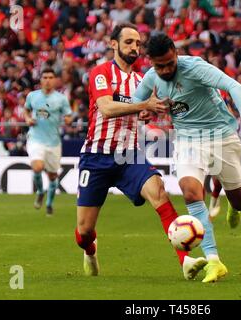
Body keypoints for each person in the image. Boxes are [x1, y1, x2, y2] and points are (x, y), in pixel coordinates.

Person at [75, 23, 207, 280]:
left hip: (129, 156)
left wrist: (146, 112)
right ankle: (90, 250)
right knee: (84, 231)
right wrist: (143, 105)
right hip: (96, 156)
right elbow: (106, 108)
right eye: (128, 42)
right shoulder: (101, 73)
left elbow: (142, 114)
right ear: (114, 44)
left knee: (160, 194)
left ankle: (186, 261)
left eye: (137, 43)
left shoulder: (141, 80)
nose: (134, 47)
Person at [133, 34, 241, 283]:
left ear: (175, 54)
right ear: (151, 63)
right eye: (160, 66)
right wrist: (145, 109)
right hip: (189, 140)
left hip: (222, 136)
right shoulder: (151, 78)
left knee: (240, 200)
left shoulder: (196, 67)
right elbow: (137, 103)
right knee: (191, 192)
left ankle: (234, 208)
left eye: (170, 63)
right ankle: (214, 260)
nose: (166, 69)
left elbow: (233, 86)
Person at [24, 68, 73, 215]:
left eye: (50, 77)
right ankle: (40, 191)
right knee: (37, 167)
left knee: (52, 176)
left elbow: (69, 115)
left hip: (53, 141)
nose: (47, 80)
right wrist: (27, 119)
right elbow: (26, 110)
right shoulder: (32, 96)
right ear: (40, 80)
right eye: (44, 77)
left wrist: (67, 120)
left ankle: (49, 204)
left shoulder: (61, 99)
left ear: (55, 80)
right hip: (35, 138)